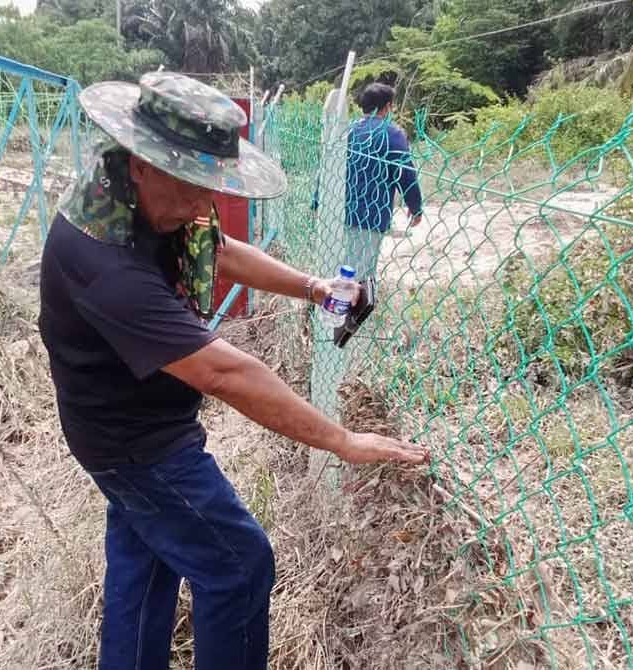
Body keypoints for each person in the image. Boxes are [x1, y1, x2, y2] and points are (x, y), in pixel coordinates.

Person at [37, 71, 427, 670]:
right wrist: (342, 440)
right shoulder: (105, 261)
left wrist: (311, 287)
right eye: (193, 185)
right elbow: (225, 374)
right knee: (240, 564)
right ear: (141, 162)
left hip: (117, 429)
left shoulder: (133, 194)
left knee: (146, 565)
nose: (206, 203)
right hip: (138, 446)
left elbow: (215, 247)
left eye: (211, 185)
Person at [343, 82, 423, 279]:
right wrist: (415, 207)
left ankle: (327, 305)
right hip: (370, 215)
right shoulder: (391, 133)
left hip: (338, 209)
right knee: (358, 273)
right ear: (387, 107)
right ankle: (347, 308)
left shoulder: (347, 130)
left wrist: (318, 201)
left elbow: (328, 166)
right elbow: (405, 174)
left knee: (339, 265)